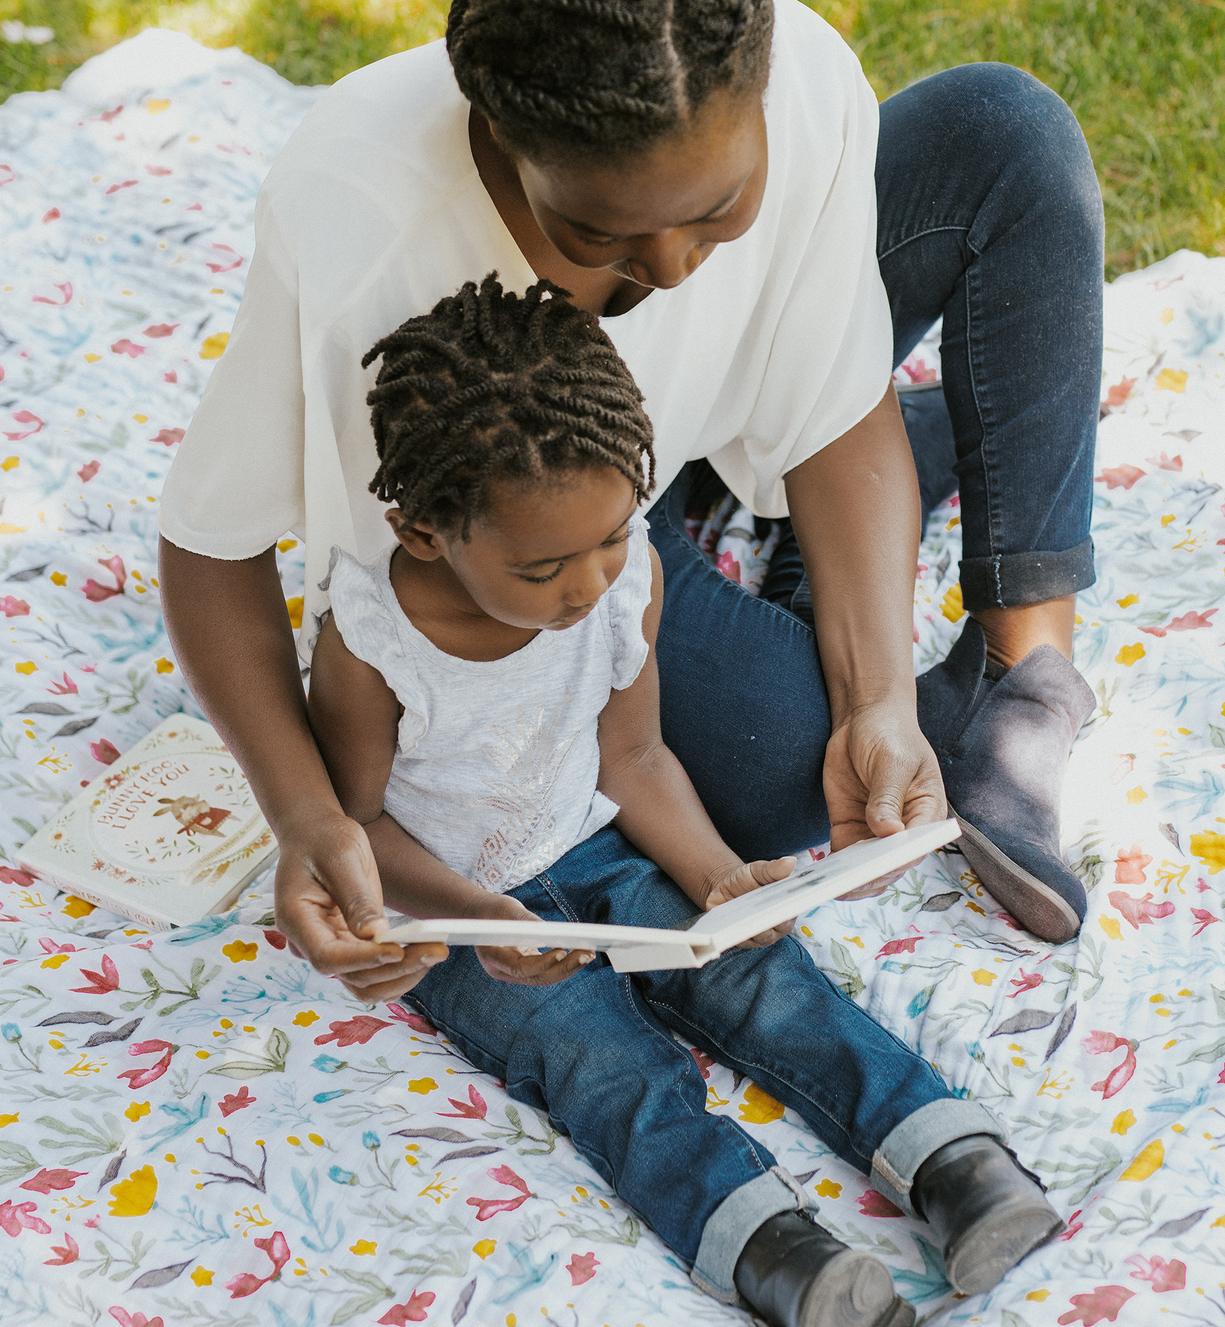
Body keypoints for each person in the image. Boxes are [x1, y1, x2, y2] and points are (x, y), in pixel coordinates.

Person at [158, 0, 1103, 1002]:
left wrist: (883, 700)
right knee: (779, 764)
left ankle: (1016, 675)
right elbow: (209, 541)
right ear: (502, 144)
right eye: (596, 234)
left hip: (682, 432)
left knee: (1008, 135)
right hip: (563, 531)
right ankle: (748, 505)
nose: (666, 270)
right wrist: (308, 812)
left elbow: (835, 404)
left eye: (717, 206)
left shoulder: (799, 76)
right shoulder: (362, 222)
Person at [303, 274, 1061, 1326]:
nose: (586, 584)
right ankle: (770, 1244)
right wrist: (483, 918)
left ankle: (949, 1154)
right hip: (464, 910)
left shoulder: (627, 578)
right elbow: (357, 829)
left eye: (613, 534)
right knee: (595, 1057)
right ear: (425, 528)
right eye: (541, 566)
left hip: (601, 844)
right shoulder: (371, 642)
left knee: (763, 976)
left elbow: (637, 758)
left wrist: (713, 876)